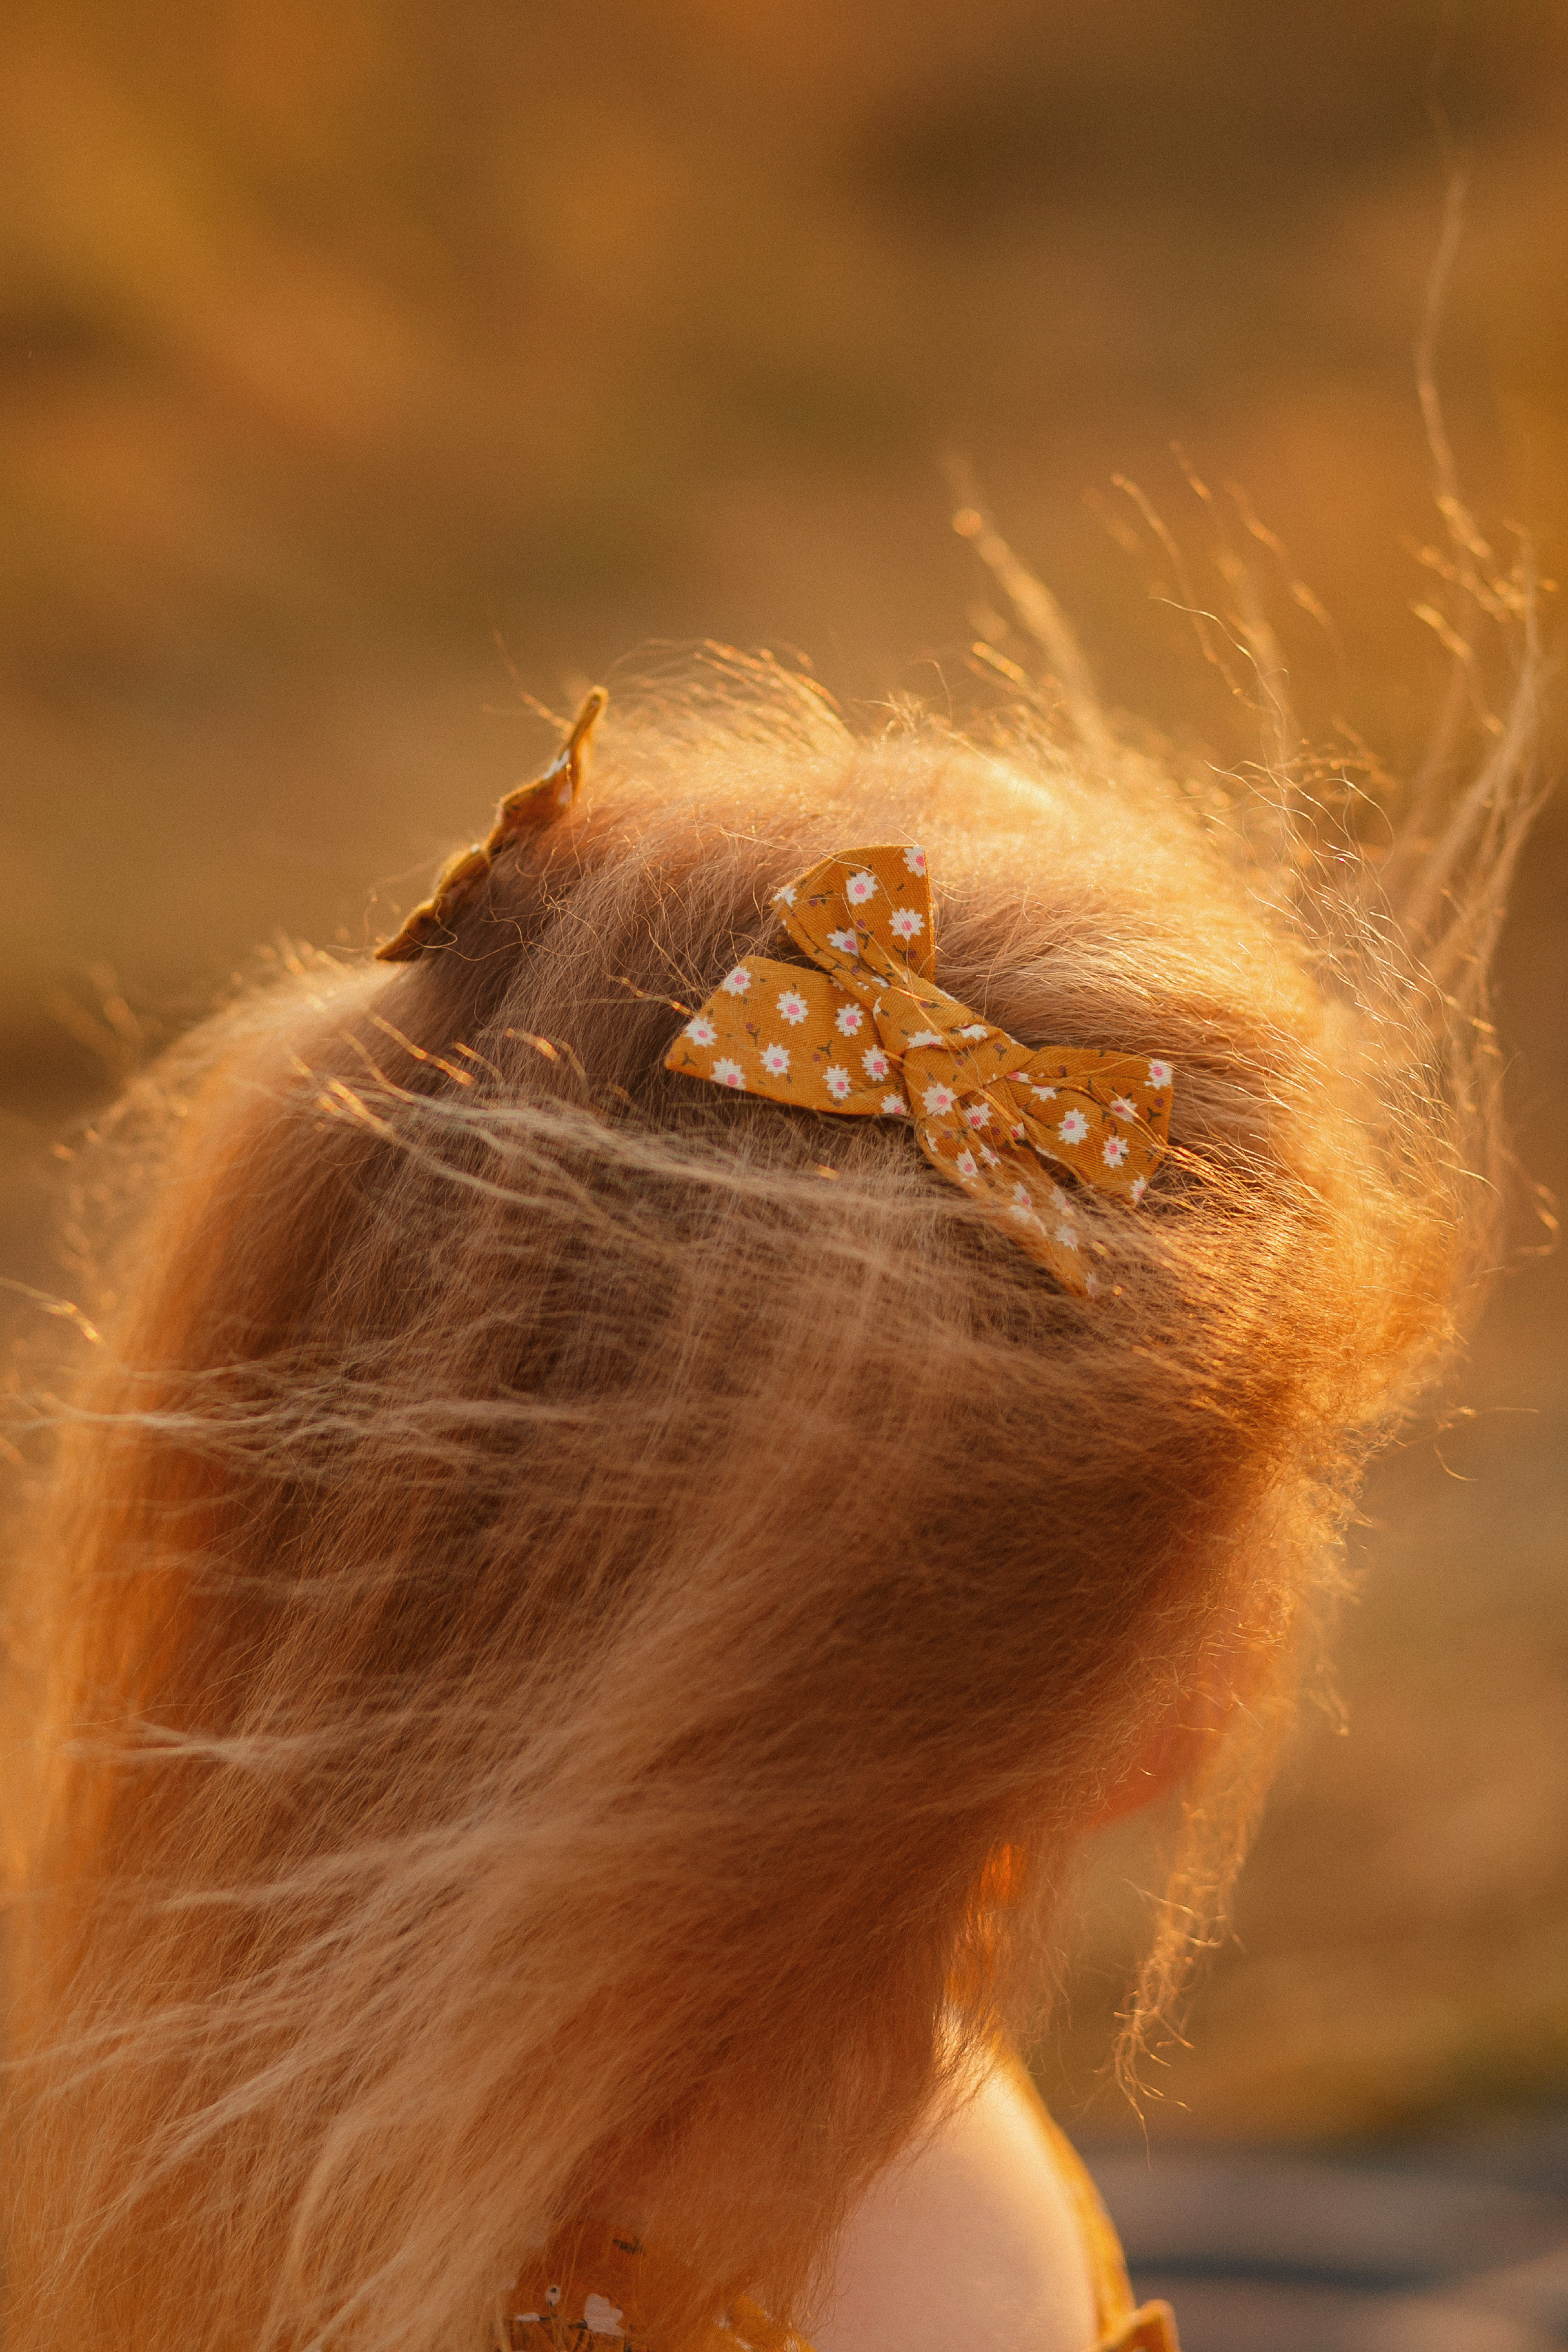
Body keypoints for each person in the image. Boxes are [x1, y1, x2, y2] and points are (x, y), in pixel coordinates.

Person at [1, 624, 1535, 2351]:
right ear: (946, 1658)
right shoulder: (839, 2262)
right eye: (1255, 1493)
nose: (1293, 1566)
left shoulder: (454, 2055)